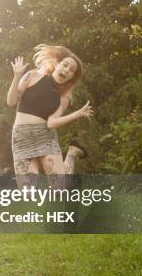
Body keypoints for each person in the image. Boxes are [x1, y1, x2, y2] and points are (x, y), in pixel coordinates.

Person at [6, 45, 93, 188]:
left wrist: (78, 114)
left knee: (59, 188)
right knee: (28, 192)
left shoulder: (64, 97)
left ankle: (71, 153)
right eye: (65, 65)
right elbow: (11, 102)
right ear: (57, 63)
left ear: (72, 77)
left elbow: (51, 123)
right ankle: (72, 152)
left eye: (71, 70)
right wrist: (17, 76)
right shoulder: (33, 75)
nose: (66, 70)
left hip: (45, 138)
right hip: (22, 139)